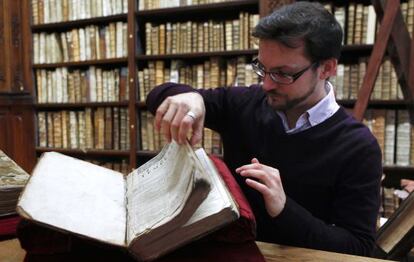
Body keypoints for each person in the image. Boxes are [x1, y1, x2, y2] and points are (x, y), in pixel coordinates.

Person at [146, 2, 382, 256]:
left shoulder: (359, 147)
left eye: (282, 74)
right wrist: (192, 98)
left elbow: (358, 248)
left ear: (327, 68)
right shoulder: (246, 102)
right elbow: (156, 96)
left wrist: (283, 208)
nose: (267, 84)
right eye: (262, 68)